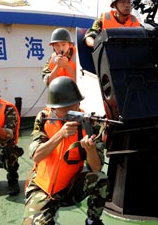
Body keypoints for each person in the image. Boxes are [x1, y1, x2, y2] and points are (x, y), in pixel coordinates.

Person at [23, 76, 109, 225]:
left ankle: (92, 220)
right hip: (43, 187)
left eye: (74, 105)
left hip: (70, 186)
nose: (72, 110)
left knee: (101, 179)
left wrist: (90, 150)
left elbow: (96, 168)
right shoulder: (44, 119)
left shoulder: (89, 123)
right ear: (54, 108)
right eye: (65, 107)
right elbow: (36, 156)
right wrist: (60, 135)